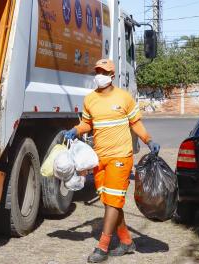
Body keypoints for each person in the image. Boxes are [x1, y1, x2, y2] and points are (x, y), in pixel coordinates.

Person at [64, 59, 160, 263]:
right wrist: (75, 130)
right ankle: (126, 242)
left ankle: (103, 246)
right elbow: (86, 123)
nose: (99, 74)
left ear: (112, 76)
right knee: (110, 202)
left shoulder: (124, 98)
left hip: (120, 156)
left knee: (113, 201)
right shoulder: (90, 99)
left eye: (104, 71)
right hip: (99, 158)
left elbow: (136, 123)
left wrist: (148, 140)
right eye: (97, 71)